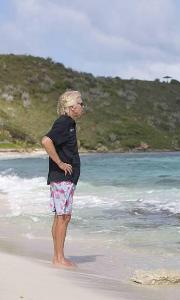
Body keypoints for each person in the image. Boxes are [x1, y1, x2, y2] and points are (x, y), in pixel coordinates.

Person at [41, 90, 85, 267]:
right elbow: (46, 141)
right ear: (72, 107)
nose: (83, 107)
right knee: (63, 217)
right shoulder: (64, 122)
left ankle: (58, 257)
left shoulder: (69, 123)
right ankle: (59, 258)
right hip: (62, 178)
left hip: (65, 179)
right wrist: (60, 163)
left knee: (62, 216)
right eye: (81, 103)